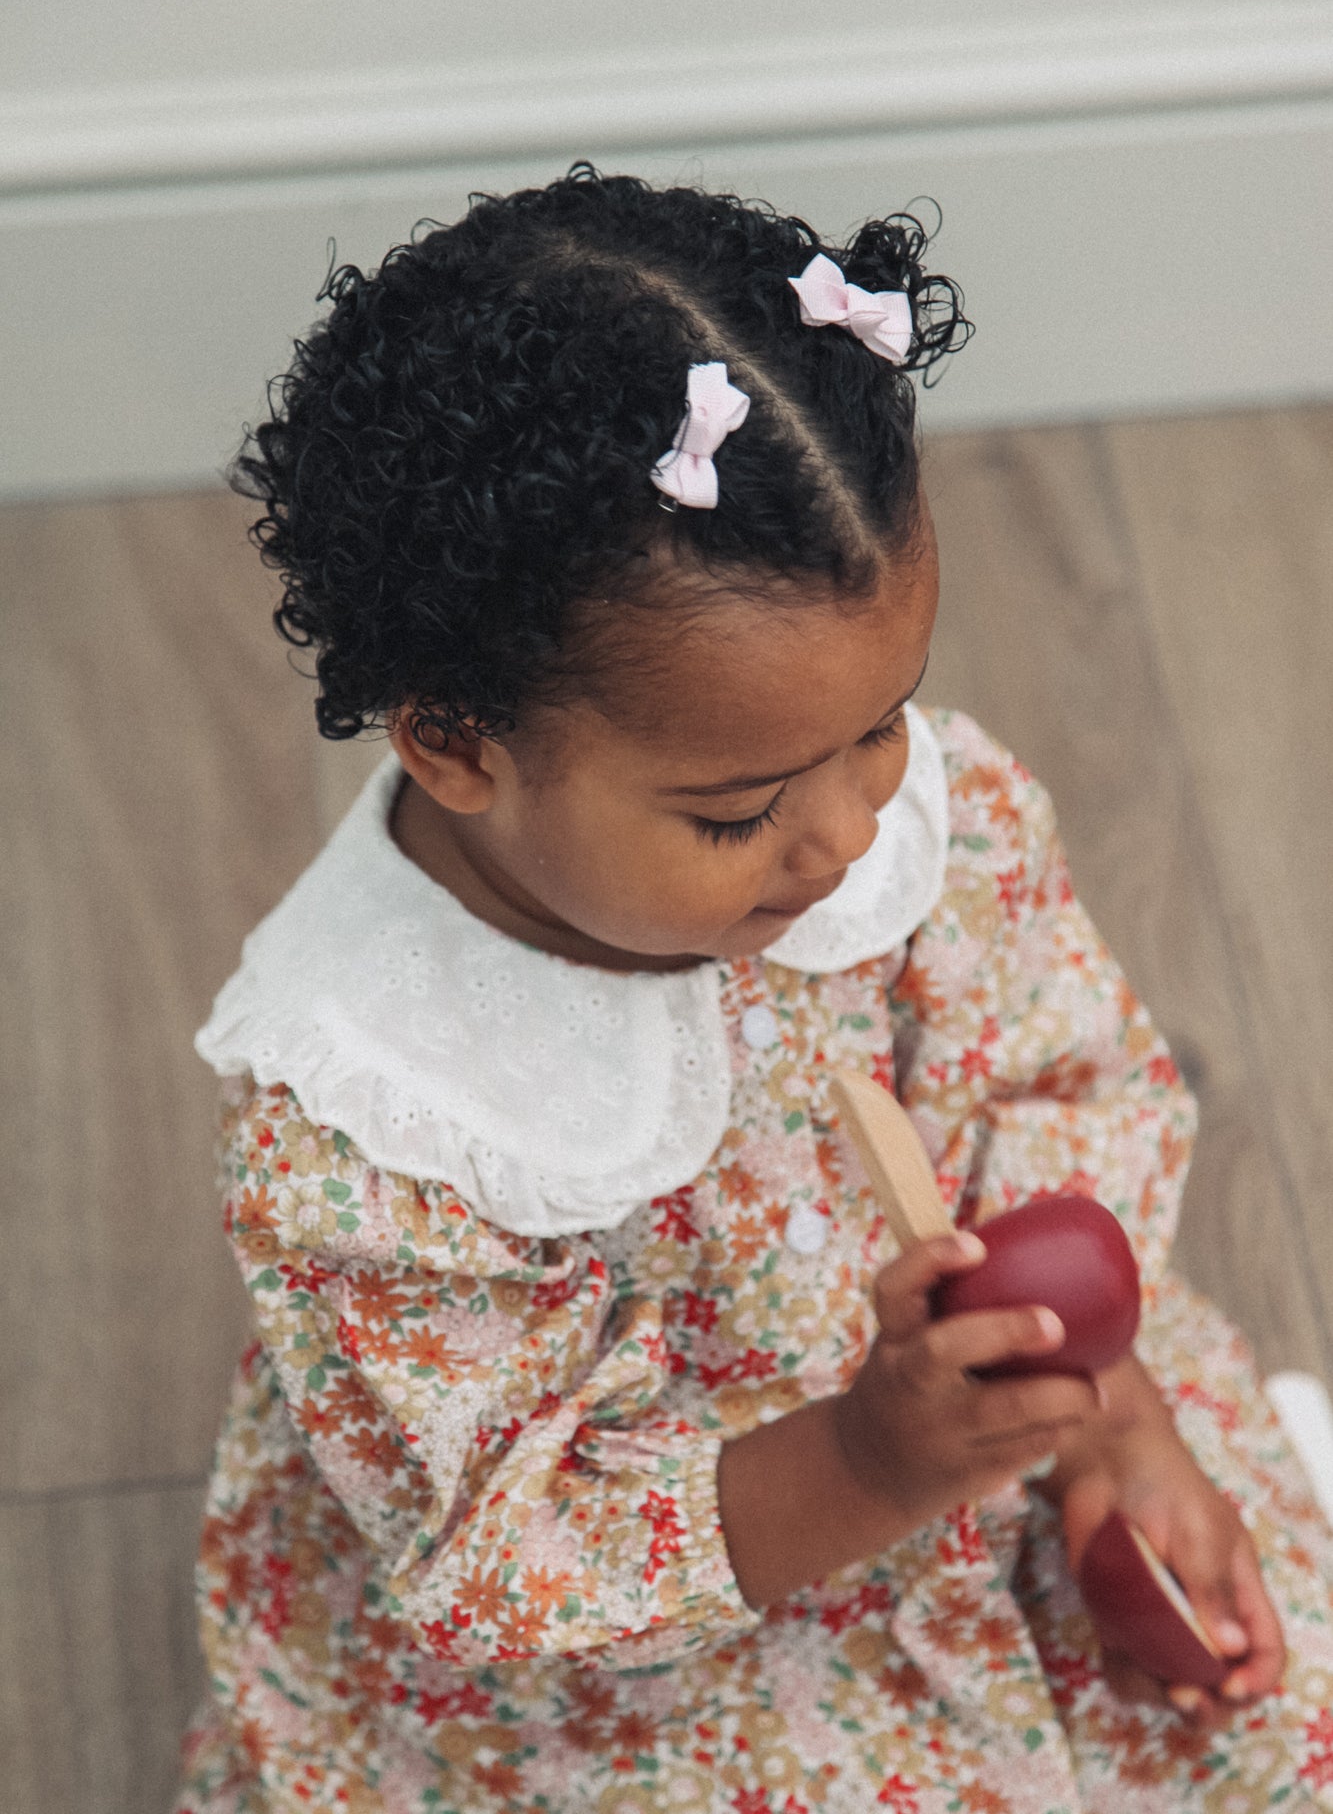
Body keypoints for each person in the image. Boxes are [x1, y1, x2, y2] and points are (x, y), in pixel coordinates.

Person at [175, 166, 1333, 1813]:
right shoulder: (372, 1129)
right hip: (668, 1613)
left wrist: (1107, 1421)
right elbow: (513, 1552)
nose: (849, 832)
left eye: (880, 726)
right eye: (734, 812)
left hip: (972, 1411)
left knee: (1272, 1732)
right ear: (452, 742)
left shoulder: (918, 830)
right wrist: (866, 1461)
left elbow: (1051, 1102)